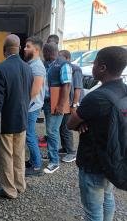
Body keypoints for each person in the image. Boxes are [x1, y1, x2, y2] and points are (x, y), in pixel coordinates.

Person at [67, 46, 127, 221]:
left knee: (93, 211)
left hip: (93, 161)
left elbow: (71, 123)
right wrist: (84, 121)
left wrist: (81, 118)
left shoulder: (97, 97)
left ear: (102, 68)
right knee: (107, 197)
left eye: (94, 63)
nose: (92, 67)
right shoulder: (123, 91)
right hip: (113, 158)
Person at [0, 34, 33, 198]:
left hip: (5, 121)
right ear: (20, 48)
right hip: (22, 119)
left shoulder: (1, 68)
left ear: (4, 49)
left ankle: (9, 189)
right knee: (19, 154)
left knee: (5, 155)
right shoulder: (28, 68)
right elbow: (28, 95)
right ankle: (20, 185)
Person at [42, 43, 72, 174]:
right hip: (49, 102)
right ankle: (51, 155)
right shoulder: (50, 64)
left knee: (52, 131)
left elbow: (66, 85)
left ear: (47, 52)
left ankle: (54, 162)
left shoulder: (63, 64)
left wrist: (60, 105)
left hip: (56, 103)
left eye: (44, 53)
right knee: (51, 131)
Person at [23, 36, 46, 176]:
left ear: (36, 50)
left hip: (31, 107)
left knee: (30, 135)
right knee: (30, 134)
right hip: (31, 106)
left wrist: (23, 105)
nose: (25, 49)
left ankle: (37, 166)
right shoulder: (32, 64)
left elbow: (35, 91)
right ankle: (33, 161)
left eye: (28, 46)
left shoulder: (37, 66)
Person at [58, 50, 83, 163]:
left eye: (61, 58)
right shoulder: (64, 68)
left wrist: (74, 105)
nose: (58, 60)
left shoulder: (75, 69)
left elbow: (78, 88)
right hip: (66, 102)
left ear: (67, 58)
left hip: (71, 103)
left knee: (66, 128)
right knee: (62, 126)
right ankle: (65, 148)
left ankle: (71, 152)